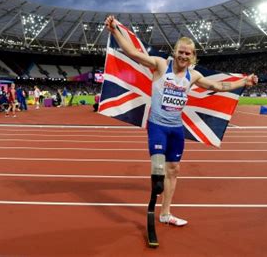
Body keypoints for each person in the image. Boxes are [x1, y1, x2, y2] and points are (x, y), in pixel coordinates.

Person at [105, 15, 258, 227]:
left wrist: (244, 82)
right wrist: (115, 31)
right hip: (157, 125)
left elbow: (218, 87)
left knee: (174, 168)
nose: (183, 56)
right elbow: (132, 53)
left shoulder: (193, 76)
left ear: (193, 56)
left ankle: (165, 213)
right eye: (180, 52)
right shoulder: (160, 65)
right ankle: (156, 183)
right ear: (174, 52)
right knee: (159, 167)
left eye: (187, 53)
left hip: (176, 128)